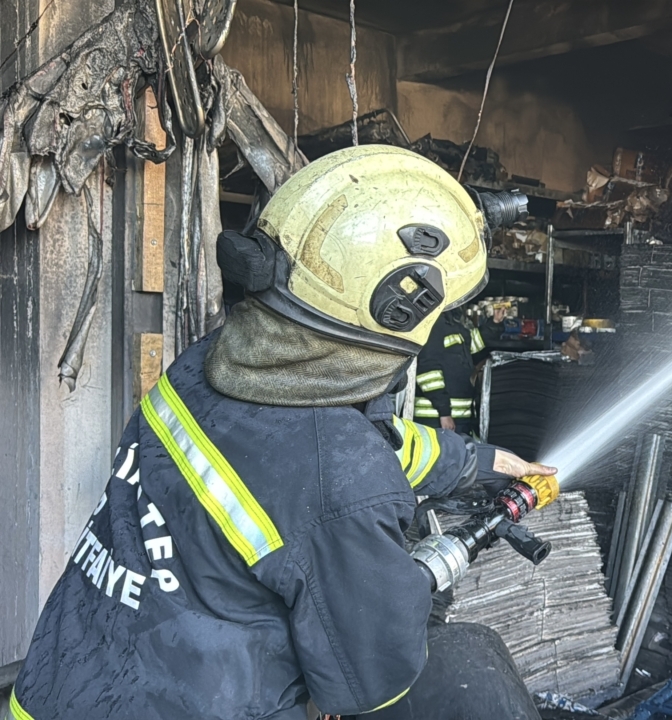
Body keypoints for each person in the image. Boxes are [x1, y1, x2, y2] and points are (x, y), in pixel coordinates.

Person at [6, 146, 553, 720]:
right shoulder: (339, 477)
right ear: (400, 306)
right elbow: (375, 682)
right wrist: (413, 581)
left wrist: (477, 462)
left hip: (55, 686)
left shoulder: (203, 368)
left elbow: (348, 456)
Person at [414, 306, 506, 435]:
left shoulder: (452, 325)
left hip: (457, 418)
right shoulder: (433, 327)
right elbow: (428, 372)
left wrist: (494, 323)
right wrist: (444, 413)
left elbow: (471, 343)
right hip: (436, 420)